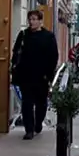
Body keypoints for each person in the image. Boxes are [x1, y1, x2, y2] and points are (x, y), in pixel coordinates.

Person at [11, 10, 59, 140]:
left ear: (40, 21)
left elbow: (53, 56)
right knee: (26, 103)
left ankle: (38, 123)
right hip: (25, 75)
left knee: (41, 103)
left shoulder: (48, 36)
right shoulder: (24, 34)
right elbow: (16, 52)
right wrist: (15, 66)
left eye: (34, 19)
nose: (31, 22)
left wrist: (48, 74)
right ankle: (29, 130)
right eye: (30, 19)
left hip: (41, 76)